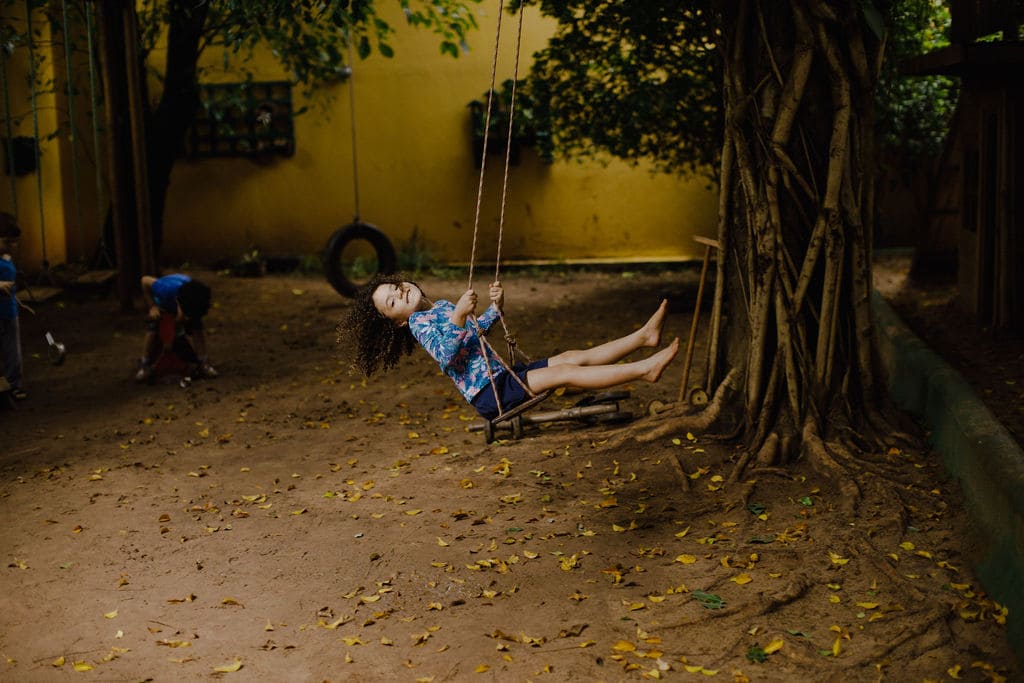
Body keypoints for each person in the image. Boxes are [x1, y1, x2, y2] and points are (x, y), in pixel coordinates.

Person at [337, 273, 679, 420]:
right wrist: (458, 316)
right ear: (397, 321)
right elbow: (446, 355)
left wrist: (495, 308)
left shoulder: (438, 306)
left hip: (502, 375)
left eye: (396, 288)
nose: (400, 294)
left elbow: (478, 330)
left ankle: (642, 337)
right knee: (564, 371)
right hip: (490, 393)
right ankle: (644, 369)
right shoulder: (417, 325)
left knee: (569, 357)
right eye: (393, 303)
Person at [135, 273, 218, 382]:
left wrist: (188, 318)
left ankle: (203, 362)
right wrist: (152, 306)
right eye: (185, 315)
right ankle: (144, 363)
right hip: (163, 305)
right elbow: (144, 280)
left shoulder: (194, 297)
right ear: (178, 302)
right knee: (154, 326)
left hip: (185, 301)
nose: (186, 319)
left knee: (197, 327)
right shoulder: (165, 289)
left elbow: (190, 315)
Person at [0, 213, 26, 401]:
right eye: (7, 242)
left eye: (14, 242)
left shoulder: (6, 257)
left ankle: (14, 386)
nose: (11, 247)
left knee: (12, 352)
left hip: (9, 311)